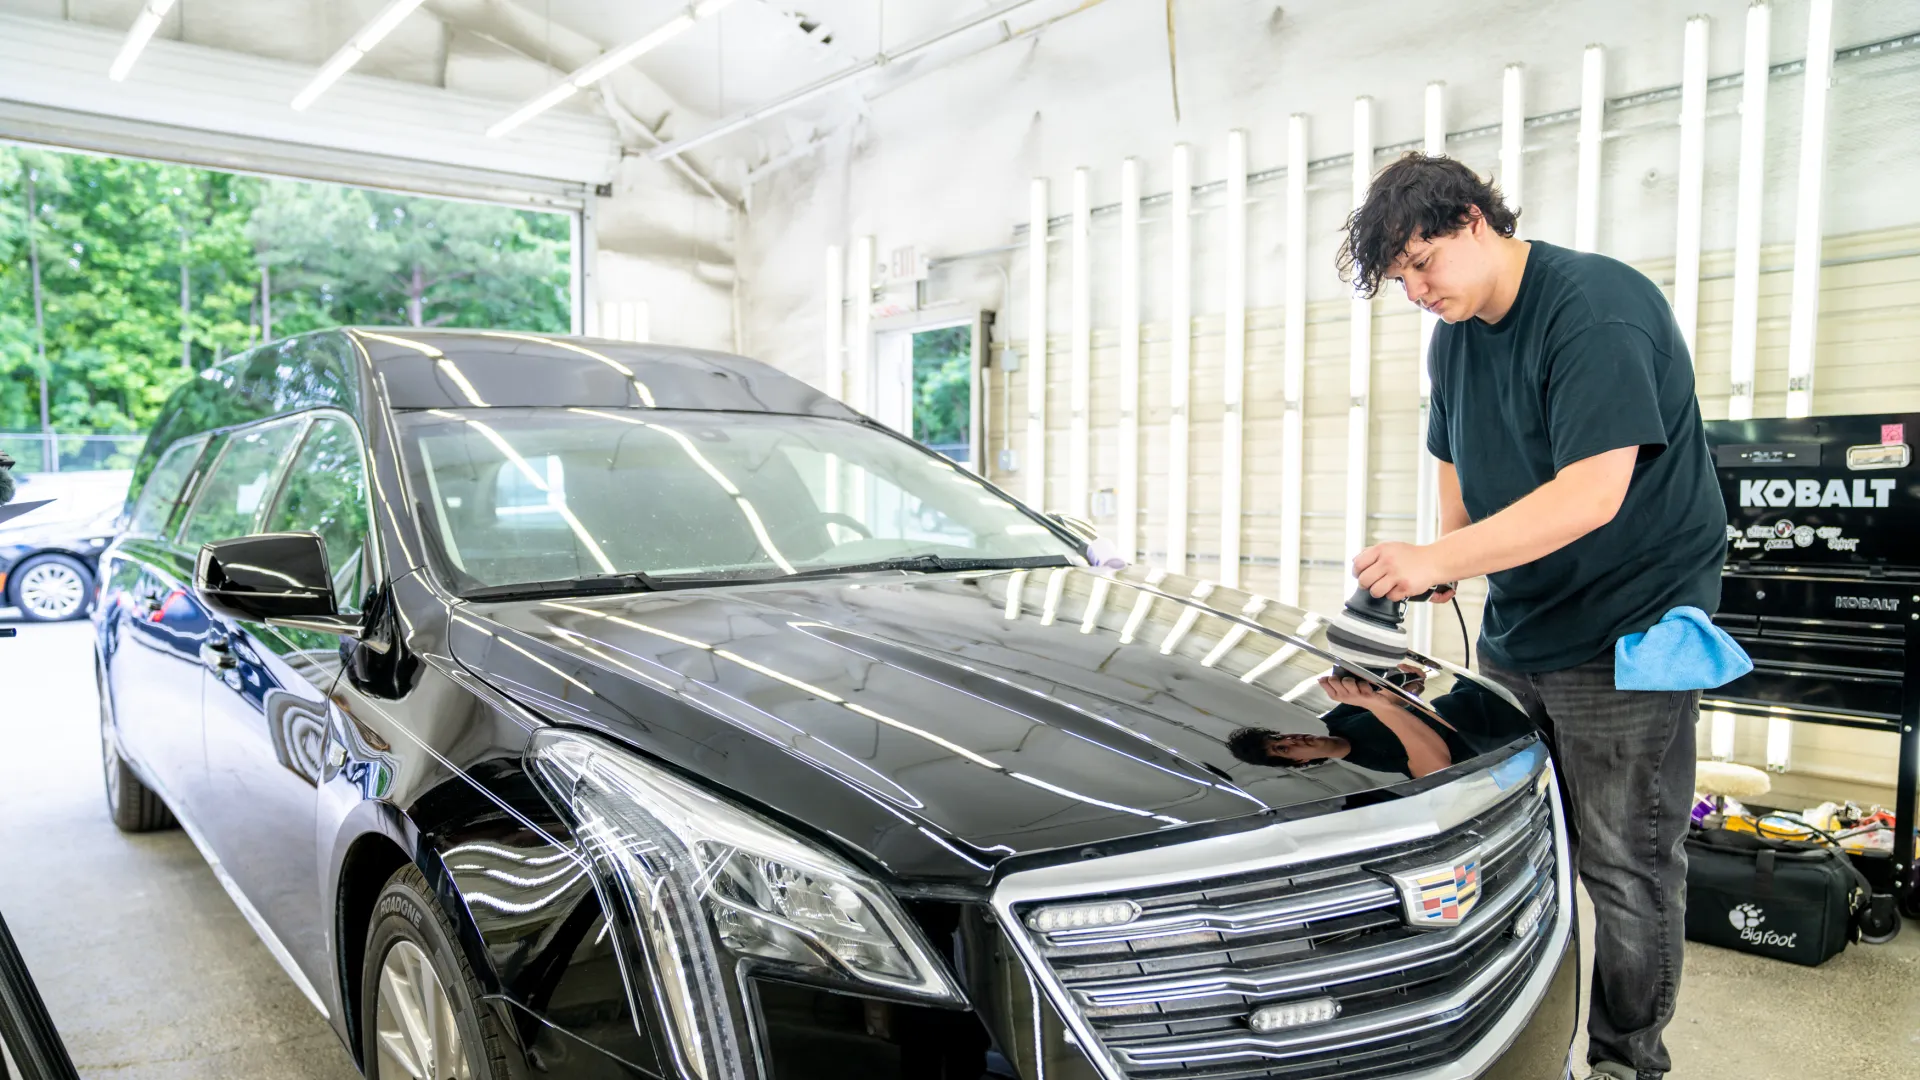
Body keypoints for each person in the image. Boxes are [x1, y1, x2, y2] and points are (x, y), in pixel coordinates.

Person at [1335, 153, 1726, 1080]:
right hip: (1526, 623)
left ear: (1475, 219)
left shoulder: (1593, 309)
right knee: (1504, 844)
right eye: (1400, 281)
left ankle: (1628, 1062)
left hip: (1628, 630)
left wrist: (1438, 559)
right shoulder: (1456, 334)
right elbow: (1452, 451)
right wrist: (1449, 551)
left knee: (1625, 869)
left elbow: (1591, 495)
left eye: (1423, 263)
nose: (1417, 291)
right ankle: (1503, 1031)